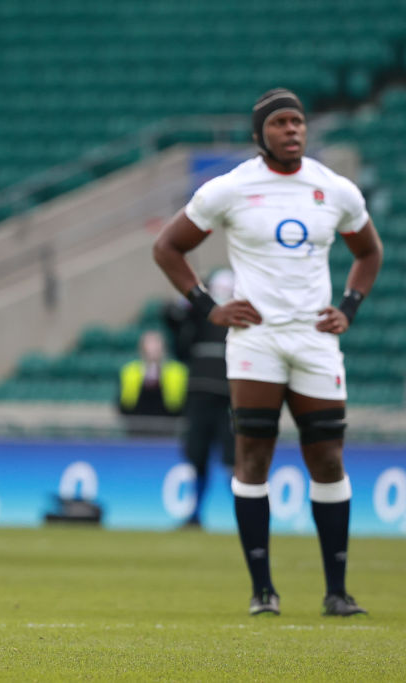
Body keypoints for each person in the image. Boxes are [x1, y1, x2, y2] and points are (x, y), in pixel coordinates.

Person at [153, 89, 382, 617]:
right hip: (256, 340)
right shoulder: (230, 189)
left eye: (297, 121)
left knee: (327, 457)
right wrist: (207, 305)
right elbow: (168, 246)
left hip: (315, 340)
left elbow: (368, 251)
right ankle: (262, 591)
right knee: (253, 458)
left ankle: (337, 591)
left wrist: (348, 306)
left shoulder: (334, 188)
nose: (292, 130)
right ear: (260, 134)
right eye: (280, 123)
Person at [163, 268, 236, 528]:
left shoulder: (240, 316)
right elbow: (178, 332)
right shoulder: (199, 314)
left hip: (229, 398)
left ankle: (244, 514)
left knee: (232, 461)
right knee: (197, 458)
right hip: (200, 397)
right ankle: (194, 513)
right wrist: (186, 301)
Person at [117, 329, 188, 437]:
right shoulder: (129, 371)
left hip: (168, 428)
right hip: (136, 428)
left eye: (156, 343)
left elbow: (183, 403)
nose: (153, 348)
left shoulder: (178, 371)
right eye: (149, 344)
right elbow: (122, 402)